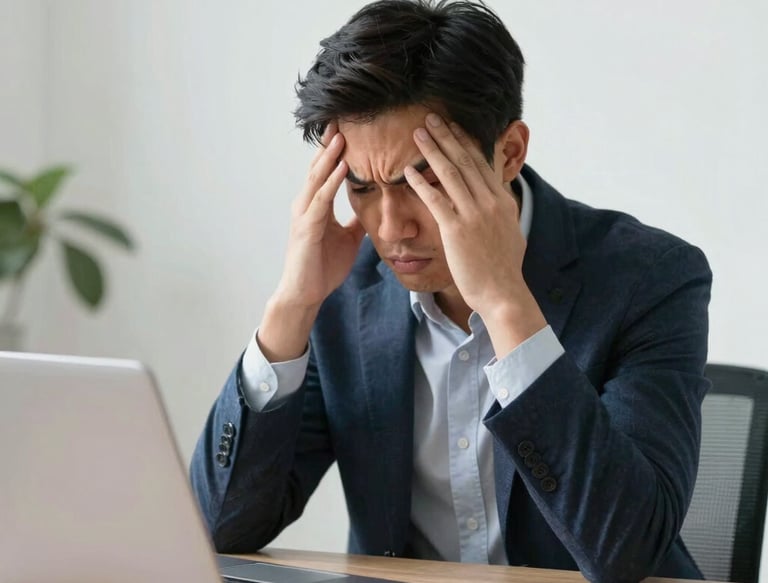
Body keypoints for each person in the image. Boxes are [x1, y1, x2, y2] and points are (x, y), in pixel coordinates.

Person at [190, 1, 711, 581]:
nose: (391, 229)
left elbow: (626, 550)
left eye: (426, 180)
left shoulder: (651, 278)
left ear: (508, 152)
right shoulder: (344, 289)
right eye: (360, 187)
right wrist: (292, 306)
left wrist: (506, 303)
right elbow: (216, 531)